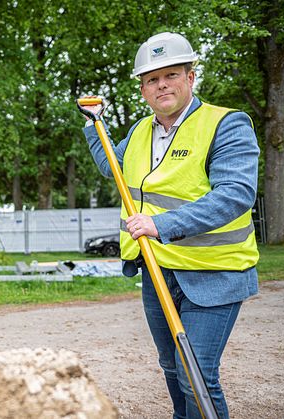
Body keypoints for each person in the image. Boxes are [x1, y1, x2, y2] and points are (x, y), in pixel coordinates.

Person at [80, 32, 259, 418]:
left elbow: (235, 194)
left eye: (171, 75)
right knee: (171, 367)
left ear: (190, 78)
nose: (162, 85)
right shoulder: (141, 132)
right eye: (152, 79)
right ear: (143, 89)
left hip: (215, 272)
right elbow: (112, 165)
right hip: (158, 269)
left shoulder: (226, 124)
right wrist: (95, 125)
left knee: (197, 374)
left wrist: (161, 224)